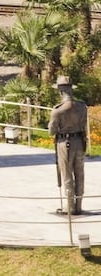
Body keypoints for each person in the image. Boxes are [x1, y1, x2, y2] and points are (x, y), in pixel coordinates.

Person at [49, 75, 89, 215]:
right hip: (80, 141)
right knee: (80, 174)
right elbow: (83, 125)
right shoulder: (82, 107)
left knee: (67, 175)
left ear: (60, 91)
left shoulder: (58, 110)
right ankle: (78, 205)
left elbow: (51, 131)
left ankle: (70, 207)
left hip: (64, 143)